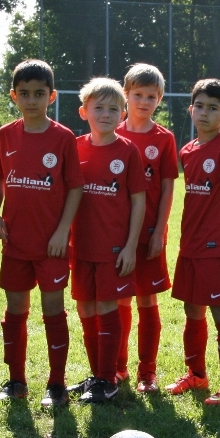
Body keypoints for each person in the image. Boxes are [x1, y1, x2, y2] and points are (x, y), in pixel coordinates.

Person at [0, 59, 83, 408]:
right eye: (25, 93)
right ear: (14, 95)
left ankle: (56, 384)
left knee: (53, 309)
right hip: (15, 241)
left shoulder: (63, 137)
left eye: (39, 93)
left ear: (51, 96)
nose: (32, 100)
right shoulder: (6, 134)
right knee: (15, 310)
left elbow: (75, 187)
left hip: (51, 245)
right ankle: (16, 381)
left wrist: (62, 232)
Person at [167, 78, 220, 405]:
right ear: (191, 109)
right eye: (199, 106)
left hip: (216, 246)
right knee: (192, 309)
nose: (204, 113)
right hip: (190, 243)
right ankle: (197, 374)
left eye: (213, 108)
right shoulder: (187, 151)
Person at [66, 78, 146, 403]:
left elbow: (139, 201)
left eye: (114, 109)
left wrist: (130, 246)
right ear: (83, 111)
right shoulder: (73, 147)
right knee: (86, 307)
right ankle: (97, 374)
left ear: (122, 114)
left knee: (107, 307)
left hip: (113, 248)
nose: (106, 114)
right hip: (80, 247)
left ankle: (108, 379)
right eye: (98, 107)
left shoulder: (127, 151)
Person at [114, 63, 178, 393]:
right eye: (137, 94)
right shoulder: (112, 132)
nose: (143, 101)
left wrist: (159, 231)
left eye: (151, 96)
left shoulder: (164, 138)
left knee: (147, 301)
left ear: (160, 99)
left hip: (149, 233)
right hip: (116, 234)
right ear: (125, 94)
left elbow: (167, 189)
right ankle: (119, 366)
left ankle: (148, 372)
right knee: (120, 300)